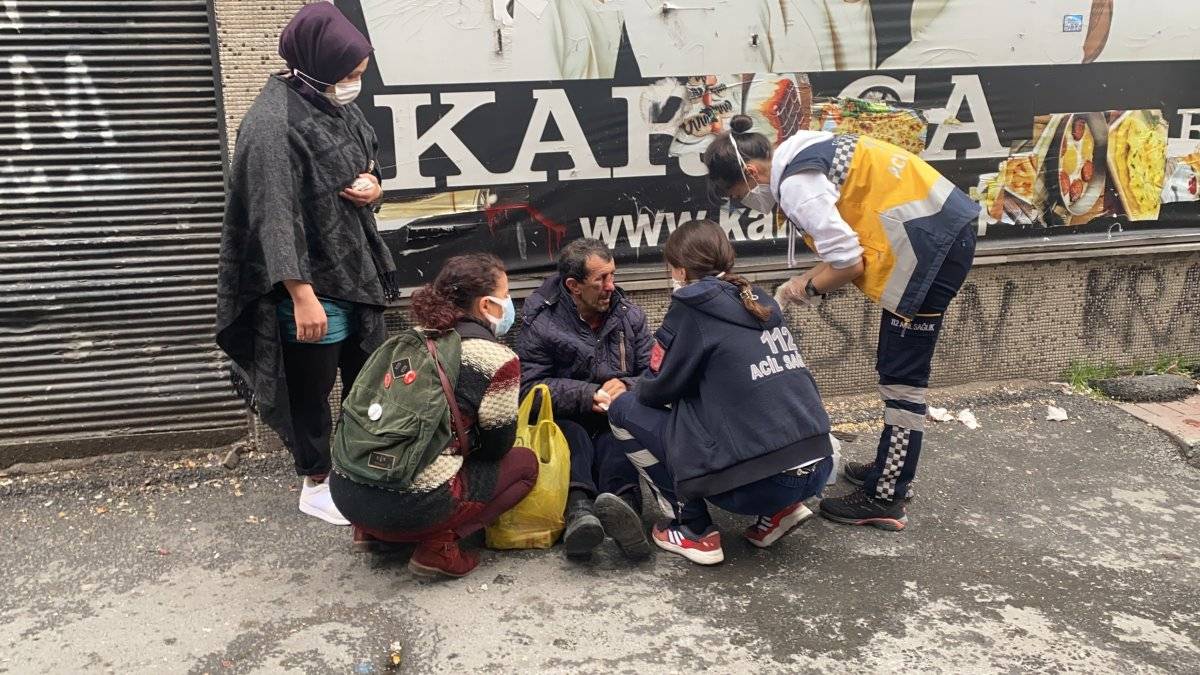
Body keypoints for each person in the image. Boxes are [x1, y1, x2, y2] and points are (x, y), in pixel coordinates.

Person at [701, 114, 978, 531]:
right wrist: (802, 281)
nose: (744, 202)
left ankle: (886, 495)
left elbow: (848, 263)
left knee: (902, 379)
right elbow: (842, 247)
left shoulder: (797, 187)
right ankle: (888, 467)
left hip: (931, 250)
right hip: (937, 234)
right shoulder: (802, 151)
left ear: (751, 173)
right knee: (894, 367)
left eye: (737, 194)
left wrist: (804, 288)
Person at [215, 4, 395, 526]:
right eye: (350, 74)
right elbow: (272, 215)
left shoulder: (330, 103)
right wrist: (301, 294)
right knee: (309, 389)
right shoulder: (272, 124)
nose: (355, 84)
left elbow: (366, 159)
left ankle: (359, 470)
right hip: (307, 283)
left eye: (360, 73)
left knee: (366, 380)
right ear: (316, 64)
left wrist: (374, 187)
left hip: (354, 269)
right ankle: (315, 482)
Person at [605, 219, 834, 566]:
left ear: (680, 270)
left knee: (622, 409)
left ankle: (693, 528)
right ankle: (779, 512)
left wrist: (629, 384)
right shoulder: (760, 299)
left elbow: (657, 389)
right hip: (819, 467)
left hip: (760, 486)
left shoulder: (691, 307)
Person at [330, 254, 538, 579]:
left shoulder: (409, 340)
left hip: (346, 491)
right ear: (486, 305)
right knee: (525, 465)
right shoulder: (497, 358)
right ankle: (439, 546)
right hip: (413, 506)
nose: (510, 303)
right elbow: (497, 447)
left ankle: (372, 533)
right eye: (506, 294)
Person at [516, 238, 651, 560]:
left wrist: (628, 385)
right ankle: (579, 512)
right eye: (601, 279)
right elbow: (528, 387)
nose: (611, 286)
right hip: (566, 416)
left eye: (612, 275)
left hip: (612, 415)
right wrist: (586, 394)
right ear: (574, 286)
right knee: (572, 436)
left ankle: (626, 511)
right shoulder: (542, 322)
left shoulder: (629, 315)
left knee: (616, 437)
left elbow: (655, 373)